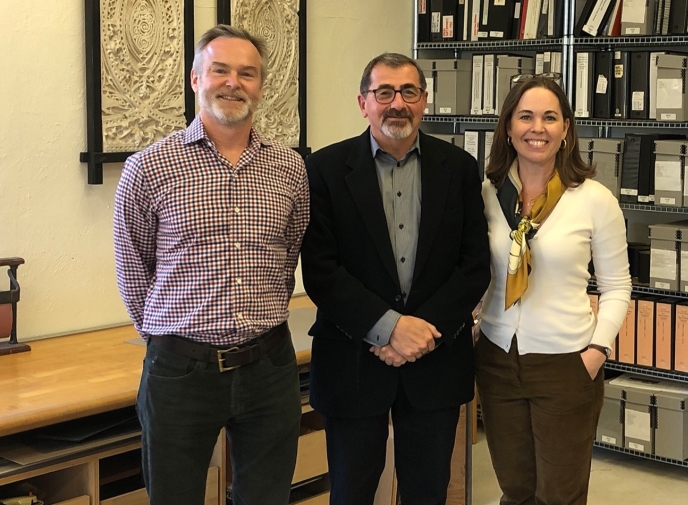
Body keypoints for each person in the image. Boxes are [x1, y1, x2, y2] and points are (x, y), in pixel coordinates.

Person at [113, 24, 309, 505]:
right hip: (181, 371)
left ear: (261, 86)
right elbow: (132, 269)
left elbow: (288, 257)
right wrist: (170, 337)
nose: (233, 82)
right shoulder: (149, 167)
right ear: (196, 79)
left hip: (270, 366)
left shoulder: (290, 168)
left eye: (247, 73)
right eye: (220, 69)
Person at [300, 53, 491, 505]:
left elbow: (474, 266)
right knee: (351, 492)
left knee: (428, 492)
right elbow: (322, 271)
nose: (396, 103)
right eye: (383, 92)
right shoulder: (324, 169)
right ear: (362, 103)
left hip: (436, 360)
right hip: (353, 360)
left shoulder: (460, 168)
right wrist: (390, 329)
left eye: (408, 92)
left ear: (424, 101)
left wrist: (419, 333)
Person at [475, 76, 632, 505]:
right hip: (497, 360)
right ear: (508, 127)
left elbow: (618, 285)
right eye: (525, 116)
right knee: (516, 489)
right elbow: (475, 269)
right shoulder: (489, 193)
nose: (536, 128)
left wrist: (597, 351)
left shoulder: (594, 199)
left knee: (558, 495)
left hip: (567, 362)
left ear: (566, 129)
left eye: (549, 117)